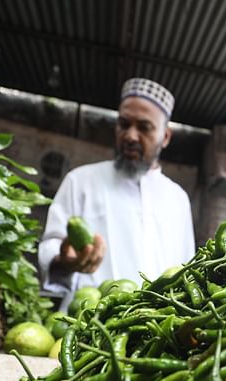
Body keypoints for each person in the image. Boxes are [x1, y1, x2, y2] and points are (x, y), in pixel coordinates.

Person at [38, 78, 195, 310]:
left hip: (156, 330)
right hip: (88, 324)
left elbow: (186, 270)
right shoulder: (80, 180)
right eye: (123, 124)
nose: (130, 136)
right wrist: (64, 261)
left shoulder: (178, 198)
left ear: (166, 137)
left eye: (144, 127)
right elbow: (51, 247)